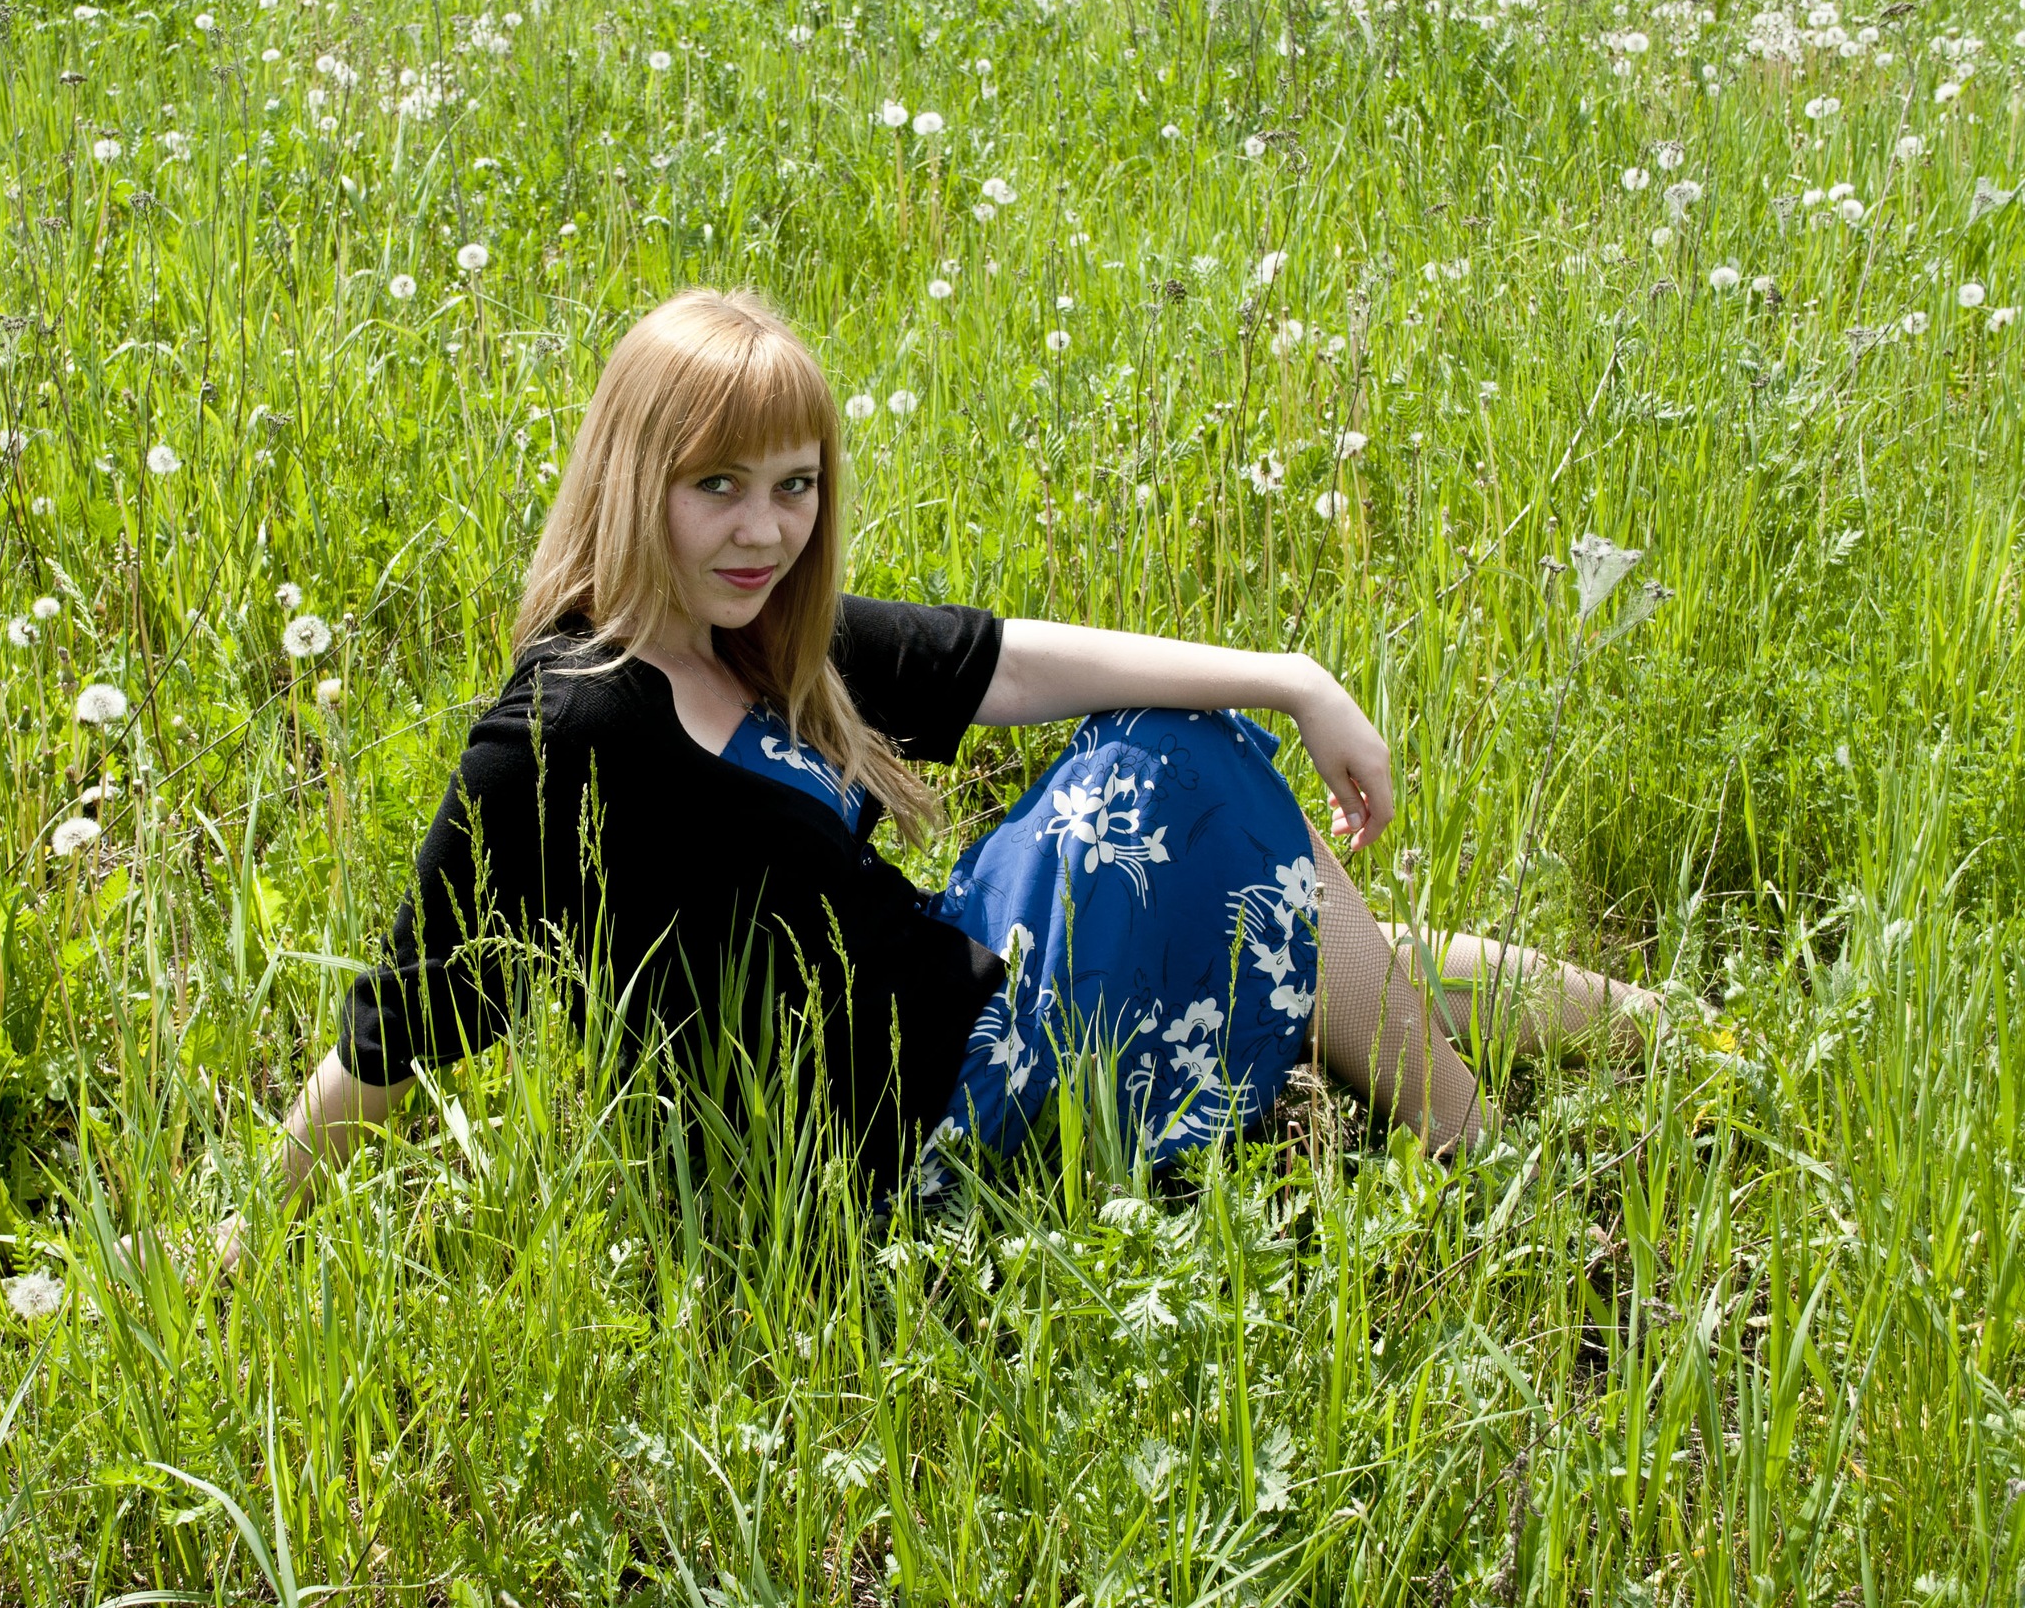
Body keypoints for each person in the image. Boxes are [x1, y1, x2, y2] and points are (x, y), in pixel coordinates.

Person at [237, 288, 1656, 1250]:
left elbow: (1014, 666)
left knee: (1274, 899)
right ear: (630, 476)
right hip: (908, 1140)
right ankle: (1482, 1168)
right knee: (1198, 785)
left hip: (953, 995)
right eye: (717, 485)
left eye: (795, 485)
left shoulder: (760, 638)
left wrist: (1292, 674)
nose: (765, 530)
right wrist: (242, 1236)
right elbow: (401, 1019)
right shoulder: (569, 730)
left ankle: (1672, 1031)